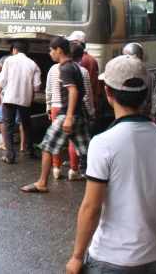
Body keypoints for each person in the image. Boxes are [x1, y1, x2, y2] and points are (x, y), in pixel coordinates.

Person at [65, 55, 156, 274]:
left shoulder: (103, 143)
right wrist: (149, 230)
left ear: (108, 93)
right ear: (146, 95)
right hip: (151, 257)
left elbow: (91, 207)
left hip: (110, 258)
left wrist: (77, 256)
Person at [21, 36, 88, 192]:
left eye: (51, 50)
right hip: (79, 114)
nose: (50, 53)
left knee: (47, 146)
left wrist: (69, 117)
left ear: (59, 50)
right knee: (87, 150)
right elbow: (81, 91)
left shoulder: (64, 68)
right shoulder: (74, 66)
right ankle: (109, 178)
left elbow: (73, 92)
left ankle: (43, 183)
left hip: (68, 115)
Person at [45, 43, 95, 181]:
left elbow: (48, 90)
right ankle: (74, 170)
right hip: (73, 109)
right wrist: (91, 112)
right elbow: (86, 95)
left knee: (55, 141)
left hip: (55, 106)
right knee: (73, 141)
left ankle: (56, 168)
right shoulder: (82, 71)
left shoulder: (53, 69)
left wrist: (48, 107)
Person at [0, 40, 41, 163]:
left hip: (9, 98)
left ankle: (10, 156)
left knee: (8, 127)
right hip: (25, 100)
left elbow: (2, 80)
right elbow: (37, 86)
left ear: (15, 50)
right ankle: (29, 150)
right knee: (27, 126)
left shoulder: (9, 61)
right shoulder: (33, 64)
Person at [123, 42, 156, 121]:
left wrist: (153, 114)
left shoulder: (149, 76)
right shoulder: (149, 75)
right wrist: (153, 114)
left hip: (128, 115)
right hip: (141, 115)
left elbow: (155, 97)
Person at [66, 31, 99, 108]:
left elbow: (89, 85)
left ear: (78, 42)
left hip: (81, 103)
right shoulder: (92, 60)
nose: (69, 45)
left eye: (71, 42)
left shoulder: (84, 61)